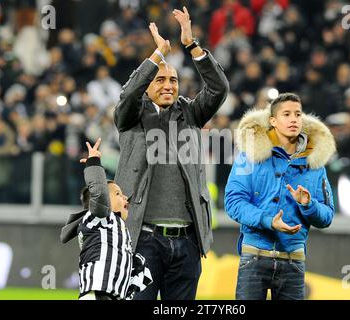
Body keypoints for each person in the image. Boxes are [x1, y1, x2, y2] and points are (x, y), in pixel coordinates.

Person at [113, 6, 229, 300]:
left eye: (173, 80)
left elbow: (218, 88)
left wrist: (191, 45)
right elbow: (127, 95)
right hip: (143, 240)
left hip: (187, 242)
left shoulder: (191, 113)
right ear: (148, 85)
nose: (168, 85)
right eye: (160, 80)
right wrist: (157, 56)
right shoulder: (132, 116)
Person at [224, 93, 335, 300]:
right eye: (286, 114)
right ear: (273, 121)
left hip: (293, 261)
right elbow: (233, 202)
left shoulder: (315, 163)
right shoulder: (249, 156)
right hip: (253, 256)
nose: (294, 119)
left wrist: (309, 204)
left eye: (298, 114)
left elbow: (327, 216)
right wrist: (267, 221)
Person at [60, 138, 152, 300]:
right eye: (118, 194)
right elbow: (100, 192)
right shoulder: (100, 218)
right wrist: (93, 162)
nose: (125, 198)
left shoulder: (117, 228)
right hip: (97, 293)